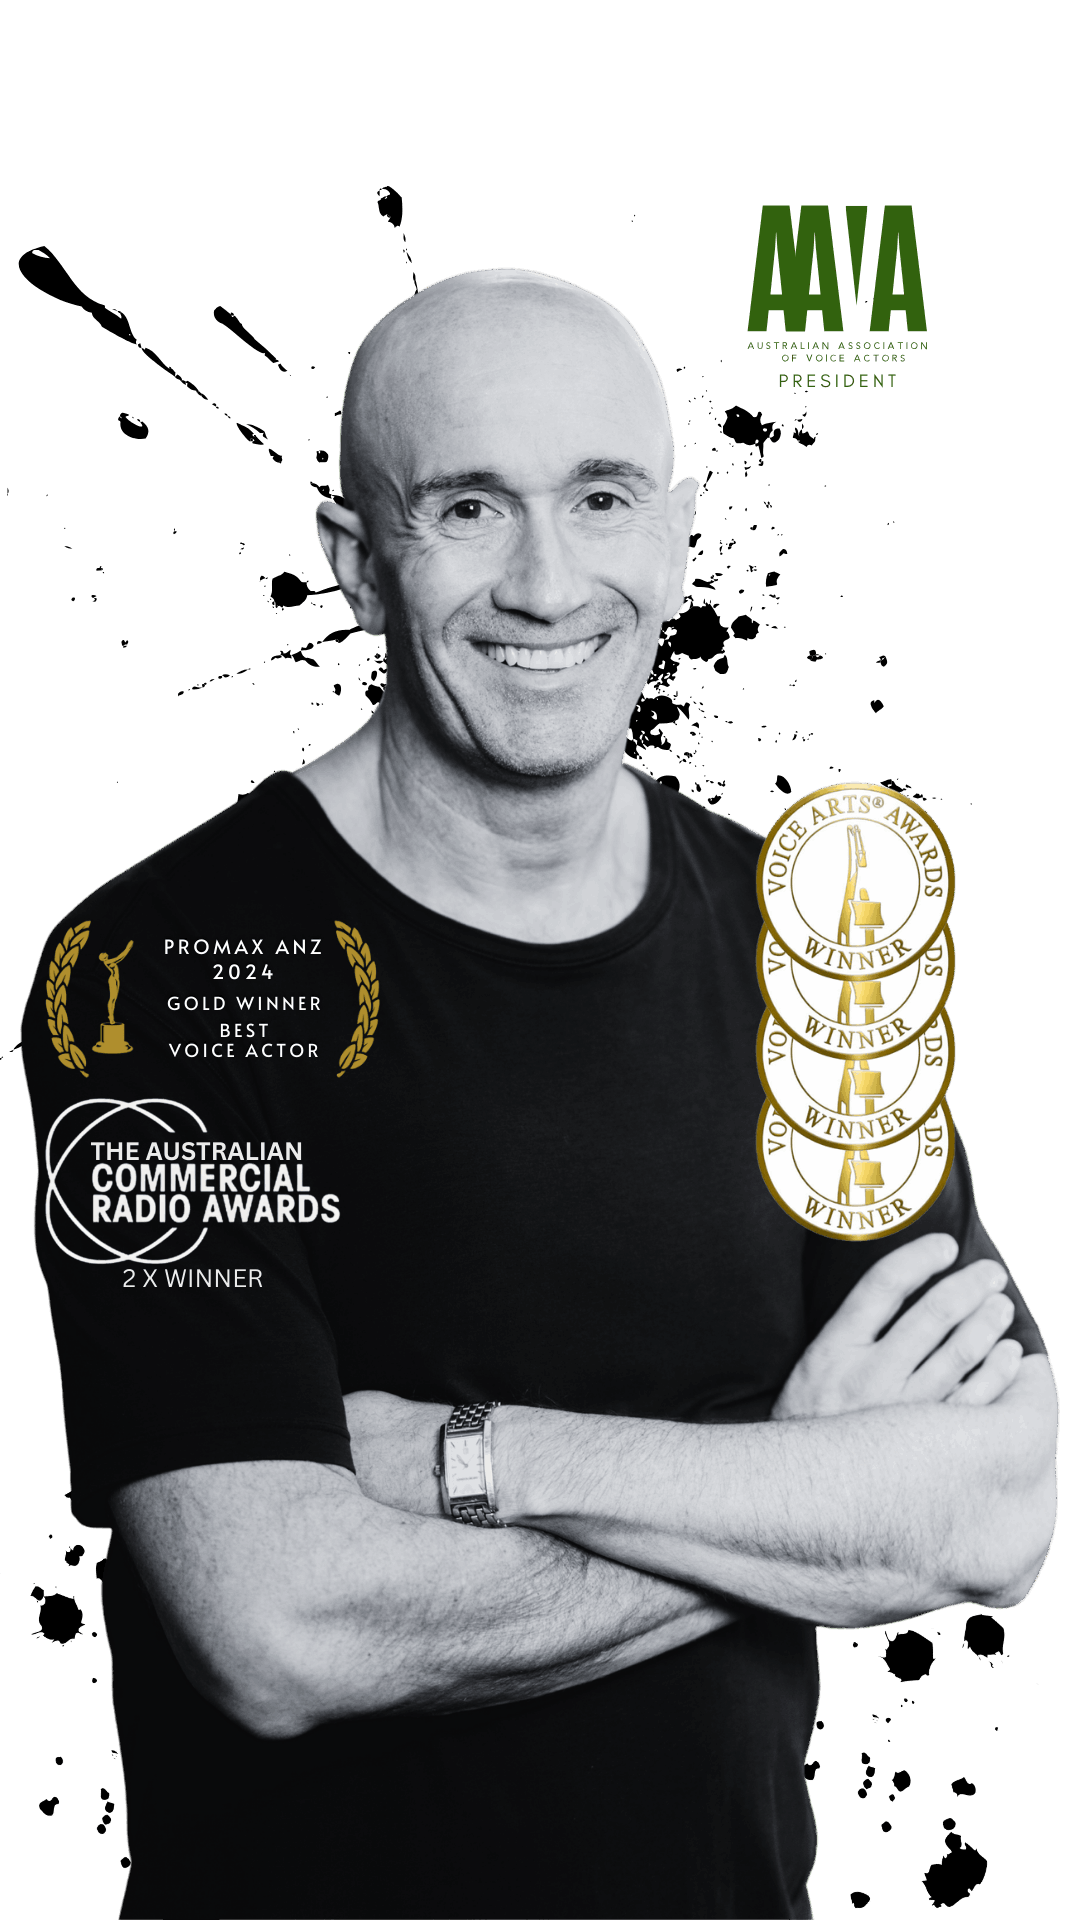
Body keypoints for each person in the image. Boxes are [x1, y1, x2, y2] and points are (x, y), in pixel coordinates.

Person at [23, 268, 1057, 1920]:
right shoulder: (174, 970)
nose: (548, 583)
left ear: (681, 541)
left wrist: (478, 1457)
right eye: (466, 509)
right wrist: (803, 1484)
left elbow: (993, 1510)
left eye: (602, 499)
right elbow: (277, 1629)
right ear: (357, 565)